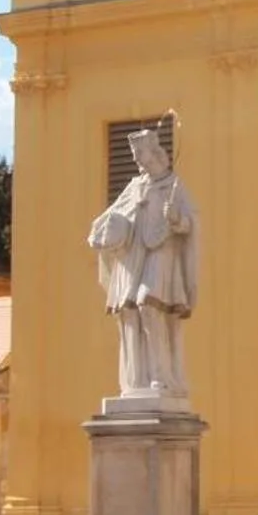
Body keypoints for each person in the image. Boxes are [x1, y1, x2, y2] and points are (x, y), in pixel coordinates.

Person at [87, 119, 198, 404]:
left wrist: (176, 219)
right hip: (134, 255)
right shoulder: (134, 186)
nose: (136, 160)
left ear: (153, 152)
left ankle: (162, 377)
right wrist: (104, 232)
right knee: (131, 313)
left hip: (163, 252)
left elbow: (189, 223)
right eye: (134, 155)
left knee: (148, 304)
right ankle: (137, 379)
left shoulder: (174, 186)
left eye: (139, 154)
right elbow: (112, 216)